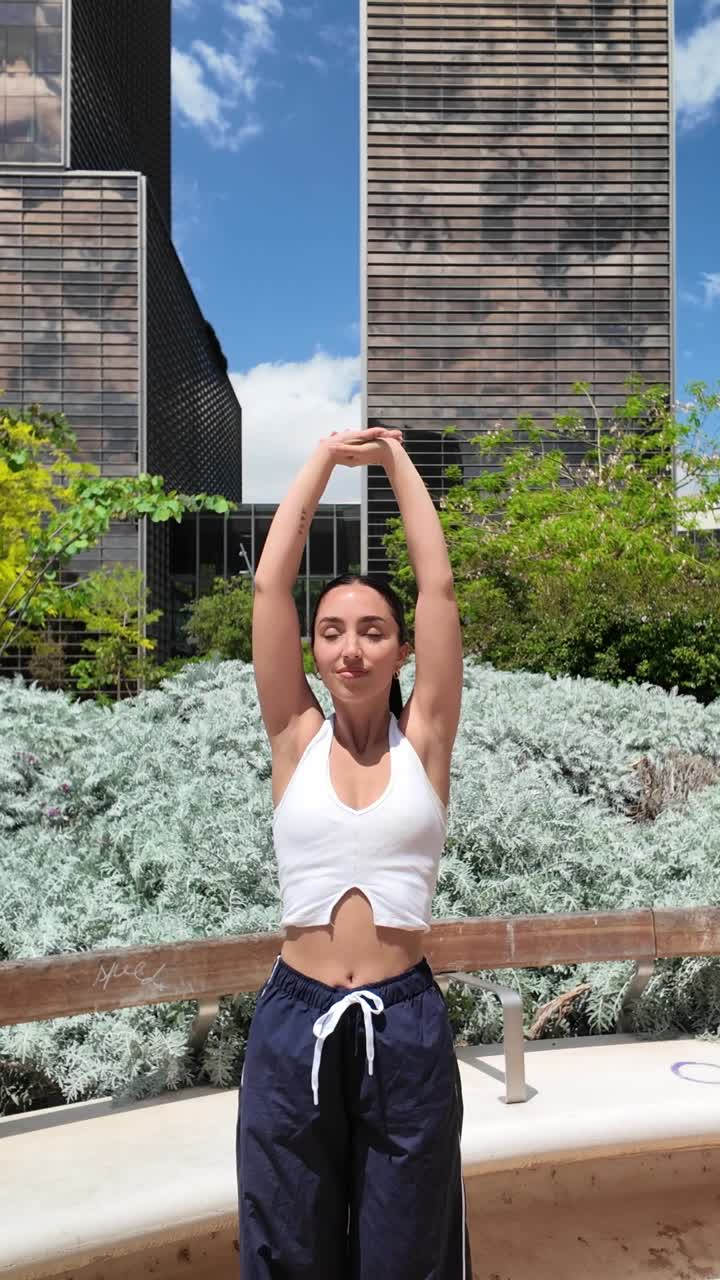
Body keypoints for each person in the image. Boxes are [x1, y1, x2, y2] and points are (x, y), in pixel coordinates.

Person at [235, 426, 470, 1278]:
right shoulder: (294, 738)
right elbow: (268, 583)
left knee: (408, 1253)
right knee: (285, 1247)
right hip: (293, 1025)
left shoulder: (427, 743)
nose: (351, 648)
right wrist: (324, 464)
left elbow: (438, 585)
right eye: (332, 631)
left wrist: (397, 462)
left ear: (401, 649)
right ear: (314, 653)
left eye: (373, 631)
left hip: (404, 1025)